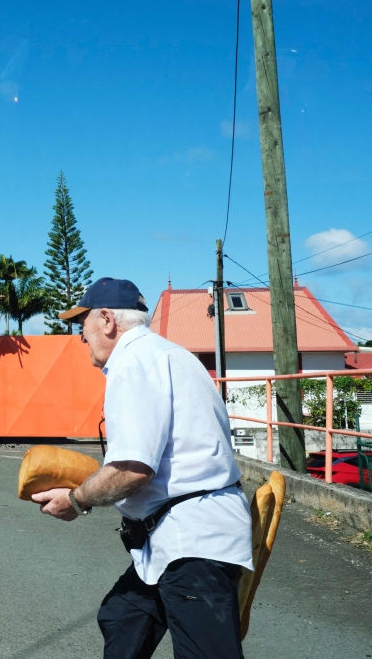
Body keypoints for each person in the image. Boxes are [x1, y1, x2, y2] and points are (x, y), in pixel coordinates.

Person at [32, 277, 253, 659]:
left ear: (106, 320)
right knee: (121, 617)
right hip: (179, 535)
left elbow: (133, 468)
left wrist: (76, 499)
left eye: (80, 325)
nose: (80, 337)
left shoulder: (131, 362)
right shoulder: (168, 353)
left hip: (192, 542)